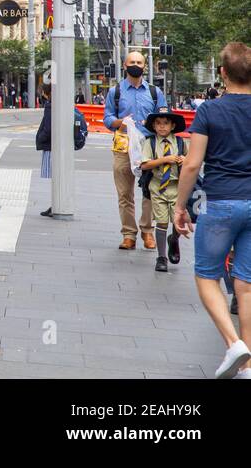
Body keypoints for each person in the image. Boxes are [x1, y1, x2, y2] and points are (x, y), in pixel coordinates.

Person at [174, 42, 251, 378]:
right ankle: (248, 366)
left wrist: (179, 205)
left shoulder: (209, 111)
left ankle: (233, 343)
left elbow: (192, 164)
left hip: (219, 202)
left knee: (207, 274)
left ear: (222, 73)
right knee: (246, 285)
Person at [103, 50, 168, 251]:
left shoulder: (155, 93)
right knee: (125, 193)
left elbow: (166, 116)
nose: (136, 65)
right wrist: (120, 122)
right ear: (124, 65)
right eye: (132, 62)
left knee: (149, 192)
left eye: (139, 62)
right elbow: (107, 119)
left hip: (149, 148)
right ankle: (129, 234)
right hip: (123, 147)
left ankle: (147, 232)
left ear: (144, 66)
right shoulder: (116, 92)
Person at [140, 111, 187, 273]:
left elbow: (191, 162)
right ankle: (161, 257)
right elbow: (144, 165)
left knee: (177, 221)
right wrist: (165, 159)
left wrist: (184, 160)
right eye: (158, 123)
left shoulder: (180, 143)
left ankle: (173, 240)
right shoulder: (150, 143)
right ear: (153, 126)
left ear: (172, 126)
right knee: (161, 221)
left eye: (165, 123)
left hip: (177, 187)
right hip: (158, 186)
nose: (162, 126)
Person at [35, 81, 89, 217]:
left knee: (55, 177)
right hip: (64, 145)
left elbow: (48, 128)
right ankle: (57, 204)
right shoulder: (64, 105)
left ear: (46, 93)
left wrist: (40, 138)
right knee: (59, 176)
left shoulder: (50, 106)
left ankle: (57, 204)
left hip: (53, 146)